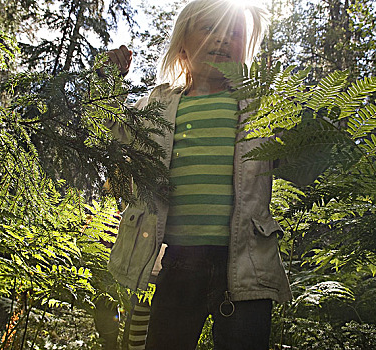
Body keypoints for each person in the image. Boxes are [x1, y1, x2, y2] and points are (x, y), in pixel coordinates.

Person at [104, 1, 318, 349]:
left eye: (233, 32)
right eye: (209, 29)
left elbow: (302, 156)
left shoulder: (258, 104)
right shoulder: (159, 103)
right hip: (176, 264)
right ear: (183, 43)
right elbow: (113, 131)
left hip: (245, 263)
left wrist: (310, 126)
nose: (222, 39)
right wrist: (106, 83)